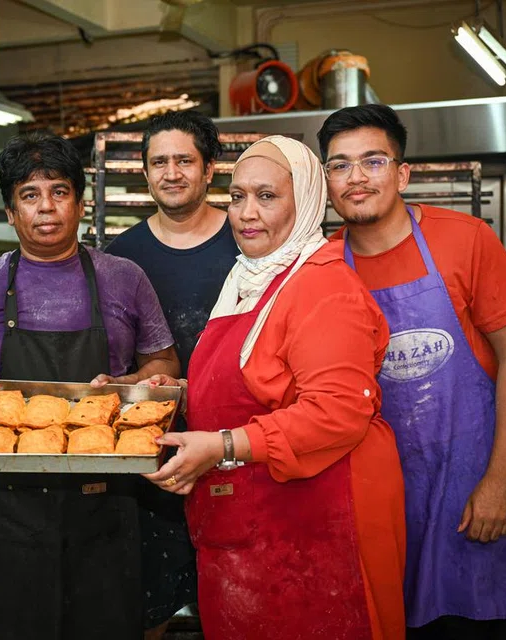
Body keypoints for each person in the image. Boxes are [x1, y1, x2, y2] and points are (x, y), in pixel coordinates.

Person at [143, 135, 406, 640]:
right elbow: (255, 381)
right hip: (253, 528)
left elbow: (336, 413)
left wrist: (220, 445)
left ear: (305, 199)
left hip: (317, 529)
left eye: (267, 196)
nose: (246, 212)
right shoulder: (252, 278)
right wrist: (180, 391)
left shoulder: (322, 286)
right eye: (237, 196)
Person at [0, 132, 179, 640]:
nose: (47, 208)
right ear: (10, 211)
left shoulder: (124, 277)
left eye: (60, 192)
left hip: (107, 493)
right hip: (11, 499)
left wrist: (126, 386)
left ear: (81, 204)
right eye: (30, 195)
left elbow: (165, 366)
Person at [318, 104, 506, 640]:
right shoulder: (322, 266)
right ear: (325, 180)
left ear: (402, 172)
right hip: (377, 502)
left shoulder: (465, 239)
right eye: (340, 165)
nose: (357, 178)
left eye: (373, 161)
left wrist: (499, 481)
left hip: (469, 492)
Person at [105, 110, 236, 638]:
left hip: (236, 448)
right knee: (149, 602)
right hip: (154, 451)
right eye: (159, 161)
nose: (171, 172)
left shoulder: (248, 241)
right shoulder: (121, 256)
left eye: (185, 160)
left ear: (210, 171)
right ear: (144, 172)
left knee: (234, 602)